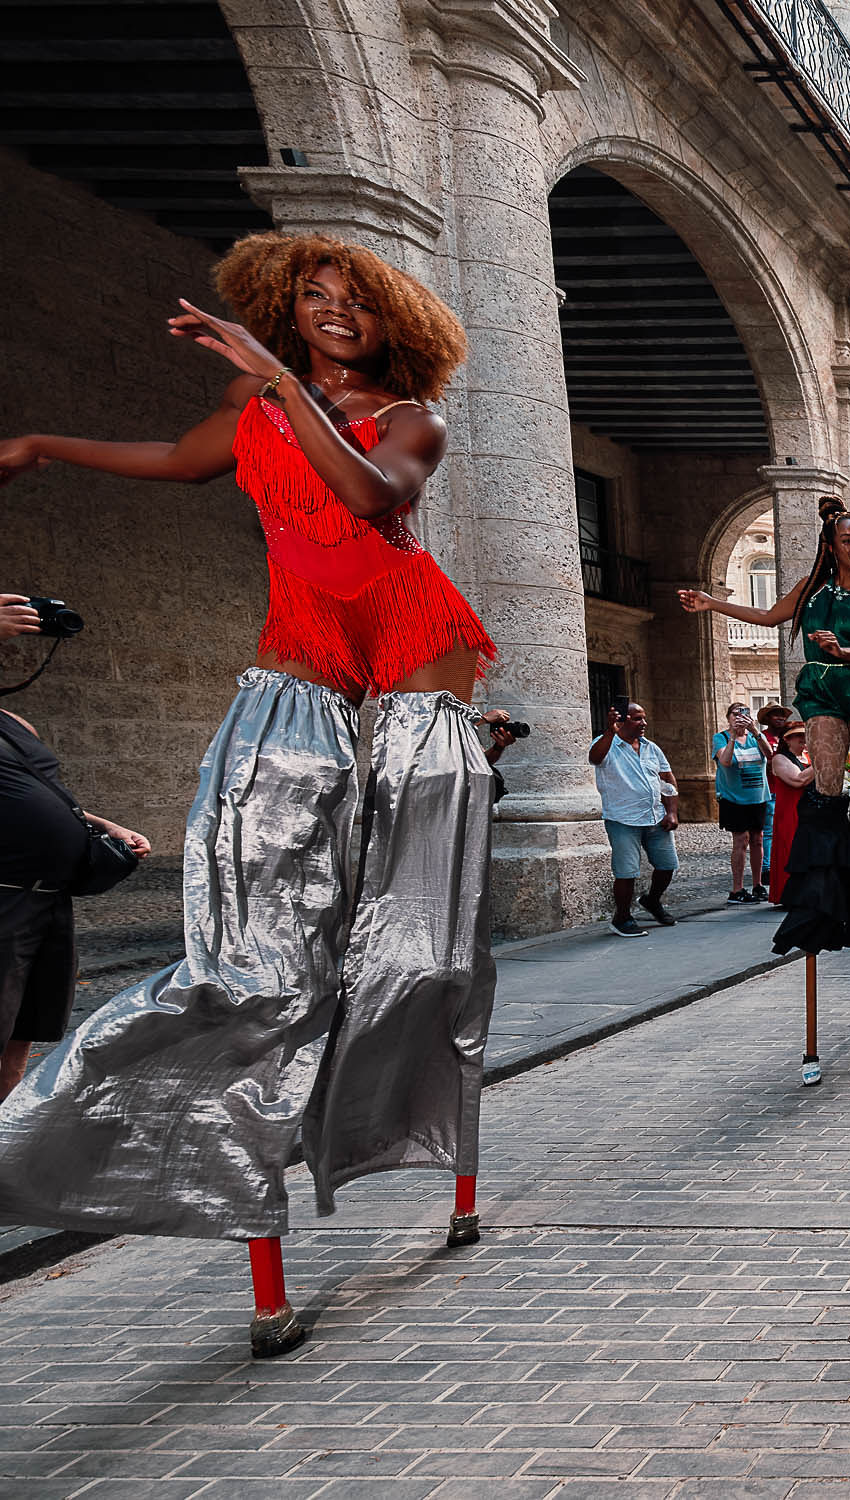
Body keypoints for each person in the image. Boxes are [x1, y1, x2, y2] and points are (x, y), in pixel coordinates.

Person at [0, 234, 501, 1357]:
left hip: (417, 649)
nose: (332, 315)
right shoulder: (255, 404)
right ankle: (158, 1187)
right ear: (287, 304)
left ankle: (438, 1168)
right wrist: (39, 444)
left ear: (391, 321)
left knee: (424, 953)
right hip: (301, 659)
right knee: (258, 972)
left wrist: (281, 383)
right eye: (313, 298)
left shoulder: (410, 413)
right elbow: (178, 459)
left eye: (353, 303)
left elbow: (374, 501)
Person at [680, 502, 850, 958]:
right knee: (825, 789)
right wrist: (711, 604)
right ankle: (822, 899)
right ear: (831, 547)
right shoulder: (810, 593)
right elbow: (768, 617)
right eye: (848, 541)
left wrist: (844, 649)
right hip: (822, 688)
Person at [0, 708, 151, 1098]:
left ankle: (8, 1108)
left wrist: (108, 827)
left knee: (31, 1017)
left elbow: (46, 796)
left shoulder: (14, 723)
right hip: (5, 893)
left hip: (50, 898)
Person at [591, 701, 679, 937]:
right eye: (638, 718)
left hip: (654, 817)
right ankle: (621, 917)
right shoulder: (607, 744)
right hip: (623, 819)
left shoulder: (652, 748)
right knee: (627, 871)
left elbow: (668, 780)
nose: (644, 723)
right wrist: (610, 731)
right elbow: (594, 758)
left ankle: (652, 900)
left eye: (643, 718)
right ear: (622, 720)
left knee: (667, 865)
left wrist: (671, 811)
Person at [714, 702, 772, 905]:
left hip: (758, 797)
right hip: (734, 798)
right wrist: (733, 737)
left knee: (758, 839)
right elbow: (726, 761)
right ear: (728, 717)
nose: (739, 717)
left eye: (744, 713)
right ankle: (736, 889)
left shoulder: (756, 737)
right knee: (741, 840)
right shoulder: (720, 738)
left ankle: (757, 885)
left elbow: (769, 755)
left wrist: (754, 730)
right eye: (735, 714)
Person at [766, 720, 813, 905]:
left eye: (805, 735)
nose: (803, 739)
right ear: (787, 739)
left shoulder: (807, 757)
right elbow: (798, 780)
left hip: (807, 811)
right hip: (790, 812)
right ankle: (790, 894)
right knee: (790, 849)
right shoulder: (780, 759)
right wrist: (823, 761)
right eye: (798, 735)